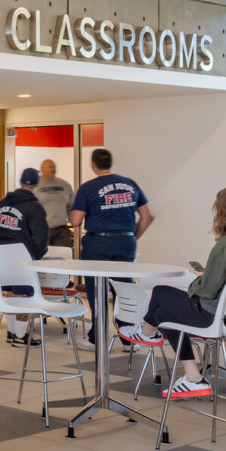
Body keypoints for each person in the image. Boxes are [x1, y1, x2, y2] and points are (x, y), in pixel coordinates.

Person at [120, 183, 226, 400]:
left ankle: (149, 334)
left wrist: (199, 281)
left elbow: (207, 291)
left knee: (161, 294)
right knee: (165, 311)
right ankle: (186, 370)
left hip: (221, 319)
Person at [69, 147, 153, 346]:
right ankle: (128, 338)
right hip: (126, 242)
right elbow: (147, 216)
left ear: (93, 164)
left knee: (96, 289)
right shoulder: (130, 184)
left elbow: (75, 220)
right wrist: (133, 237)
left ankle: (97, 338)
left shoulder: (88, 187)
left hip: (98, 243)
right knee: (124, 290)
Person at [0, 167, 49, 347]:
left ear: (20, 182)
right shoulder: (34, 207)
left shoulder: (2, 204)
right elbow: (41, 238)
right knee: (25, 294)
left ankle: (12, 333)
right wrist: (36, 255)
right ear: (37, 183)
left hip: (3, 255)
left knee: (11, 293)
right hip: (22, 256)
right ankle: (19, 336)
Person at [35, 158, 76, 251]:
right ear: (42, 169)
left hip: (61, 230)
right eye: (49, 167)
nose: (52, 169)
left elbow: (71, 207)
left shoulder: (64, 185)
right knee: (42, 258)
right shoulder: (35, 186)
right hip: (41, 230)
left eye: (54, 166)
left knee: (64, 257)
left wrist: (75, 226)